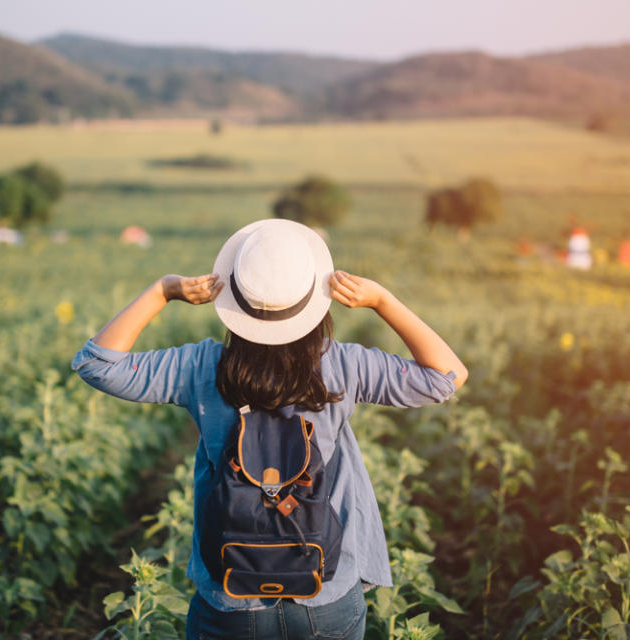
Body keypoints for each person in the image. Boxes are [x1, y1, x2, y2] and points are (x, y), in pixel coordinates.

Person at [72, 218, 467, 640]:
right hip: (325, 592)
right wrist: (383, 300)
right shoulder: (342, 365)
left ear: (234, 300)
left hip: (231, 596)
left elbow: (96, 364)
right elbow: (447, 376)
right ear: (314, 297)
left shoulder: (201, 367)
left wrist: (163, 291)